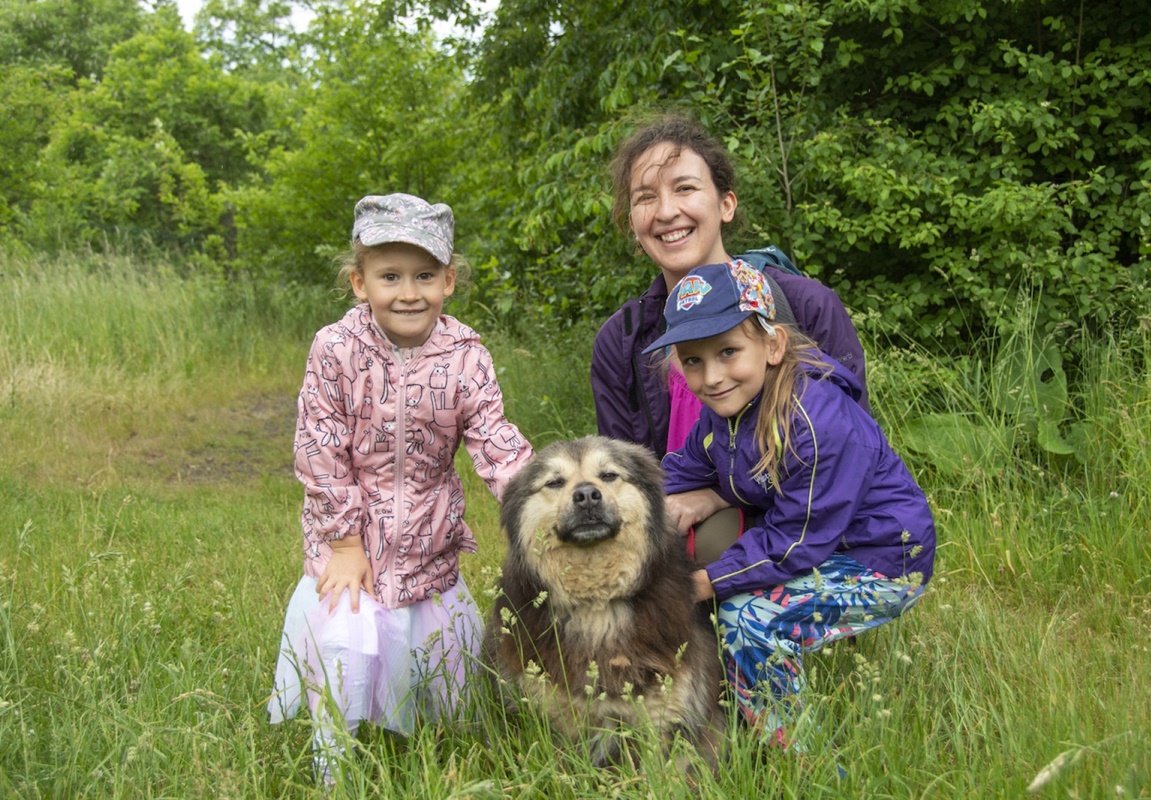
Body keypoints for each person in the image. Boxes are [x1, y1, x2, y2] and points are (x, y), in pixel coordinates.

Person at [267, 193, 534, 785]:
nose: (409, 292)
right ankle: (333, 762)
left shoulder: (466, 355)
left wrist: (539, 499)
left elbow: (494, 439)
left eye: (424, 276)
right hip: (351, 549)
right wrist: (343, 542)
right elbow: (319, 447)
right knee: (348, 647)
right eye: (390, 276)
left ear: (449, 280)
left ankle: (447, 756)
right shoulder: (335, 349)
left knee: (439, 663)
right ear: (360, 283)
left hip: (426, 541)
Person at [644, 261, 935, 750]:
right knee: (739, 605)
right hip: (820, 545)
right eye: (692, 360)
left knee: (748, 620)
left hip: (881, 559)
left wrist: (699, 583)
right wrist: (629, 501)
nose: (712, 377)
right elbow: (684, 467)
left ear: (773, 345)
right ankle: (752, 714)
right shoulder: (729, 410)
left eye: (728, 352)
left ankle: (801, 759)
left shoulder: (815, 423)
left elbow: (791, 543)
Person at [592, 114, 871, 560]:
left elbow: (852, 454)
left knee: (715, 538)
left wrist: (719, 497)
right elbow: (625, 475)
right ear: (632, 223)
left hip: (796, 524)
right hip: (669, 529)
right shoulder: (621, 341)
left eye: (685, 188)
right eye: (646, 197)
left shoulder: (805, 306)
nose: (666, 212)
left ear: (726, 204)